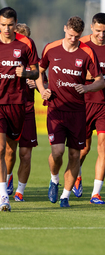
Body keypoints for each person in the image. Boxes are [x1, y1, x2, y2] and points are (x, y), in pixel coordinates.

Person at [35, 16, 105, 208]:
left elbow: (101, 80)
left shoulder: (88, 52)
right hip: (56, 109)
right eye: (70, 35)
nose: (73, 39)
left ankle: (65, 196)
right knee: (57, 153)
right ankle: (54, 179)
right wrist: (42, 90)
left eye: (77, 36)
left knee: (75, 155)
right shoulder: (51, 48)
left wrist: (88, 88)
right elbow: (39, 72)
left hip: (77, 112)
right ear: (65, 29)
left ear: (81, 34)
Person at [71, 13, 105, 204]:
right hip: (83, 102)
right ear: (92, 27)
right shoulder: (81, 44)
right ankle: (77, 175)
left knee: (104, 145)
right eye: (98, 31)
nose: (102, 35)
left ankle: (96, 193)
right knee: (83, 150)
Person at [0, 7, 39, 211]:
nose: (7, 29)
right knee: (0, 149)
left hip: (20, 104)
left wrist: (26, 74)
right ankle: (3, 196)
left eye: (10, 25)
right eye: (3, 25)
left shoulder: (26, 44)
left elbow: (36, 73)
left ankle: (18, 190)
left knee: (16, 152)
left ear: (16, 23)